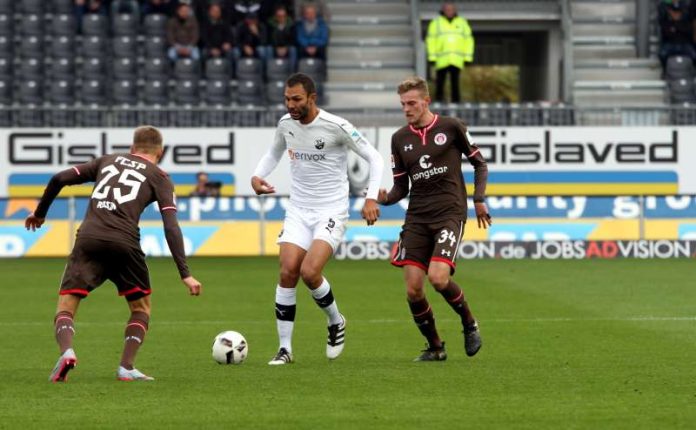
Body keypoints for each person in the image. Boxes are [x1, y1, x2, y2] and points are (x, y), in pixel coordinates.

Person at [25, 125, 203, 382]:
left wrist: (40, 213)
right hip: (125, 243)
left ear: (132, 149)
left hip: (89, 238)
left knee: (67, 305)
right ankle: (126, 367)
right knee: (140, 307)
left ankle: (67, 352)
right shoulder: (160, 177)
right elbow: (171, 225)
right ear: (160, 153)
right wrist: (185, 273)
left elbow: (59, 179)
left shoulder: (107, 161)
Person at [251, 73, 383, 365]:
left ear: (312, 98)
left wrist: (371, 196)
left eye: (296, 99)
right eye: (287, 99)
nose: (290, 105)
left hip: (330, 210)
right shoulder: (286, 124)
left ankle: (336, 321)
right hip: (298, 209)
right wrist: (257, 176)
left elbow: (375, 157)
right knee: (287, 271)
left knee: (310, 272)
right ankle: (285, 349)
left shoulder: (336, 127)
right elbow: (273, 153)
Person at [377, 76, 490, 361]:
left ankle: (469, 323)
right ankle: (436, 347)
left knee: (438, 278)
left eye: (412, 103)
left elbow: (479, 163)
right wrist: (384, 198)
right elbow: (401, 187)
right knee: (414, 289)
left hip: (449, 213)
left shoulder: (451, 127)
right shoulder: (399, 139)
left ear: (426, 102)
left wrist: (478, 201)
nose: (406, 109)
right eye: (403, 104)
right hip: (416, 218)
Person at [426, 2, 474, 104]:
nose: (449, 11)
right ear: (443, 10)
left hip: (456, 59)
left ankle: (456, 103)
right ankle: (438, 102)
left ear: (455, 10)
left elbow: (468, 40)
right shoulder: (436, 23)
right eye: (447, 9)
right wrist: (432, 57)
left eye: (451, 9)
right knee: (440, 82)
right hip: (441, 59)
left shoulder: (462, 23)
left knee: (455, 82)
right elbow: (431, 40)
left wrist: (468, 57)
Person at [659, 0, 696, 72]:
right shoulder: (666, 21)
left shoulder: (687, 21)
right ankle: (665, 71)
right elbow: (666, 32)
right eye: (674, 12)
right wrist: (680, 28)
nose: (676, 14)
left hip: (685, 44)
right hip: (670, 44)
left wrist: (675, 28)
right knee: (662, 54)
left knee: (694, 55)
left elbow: (688, 31)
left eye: (678, 12)